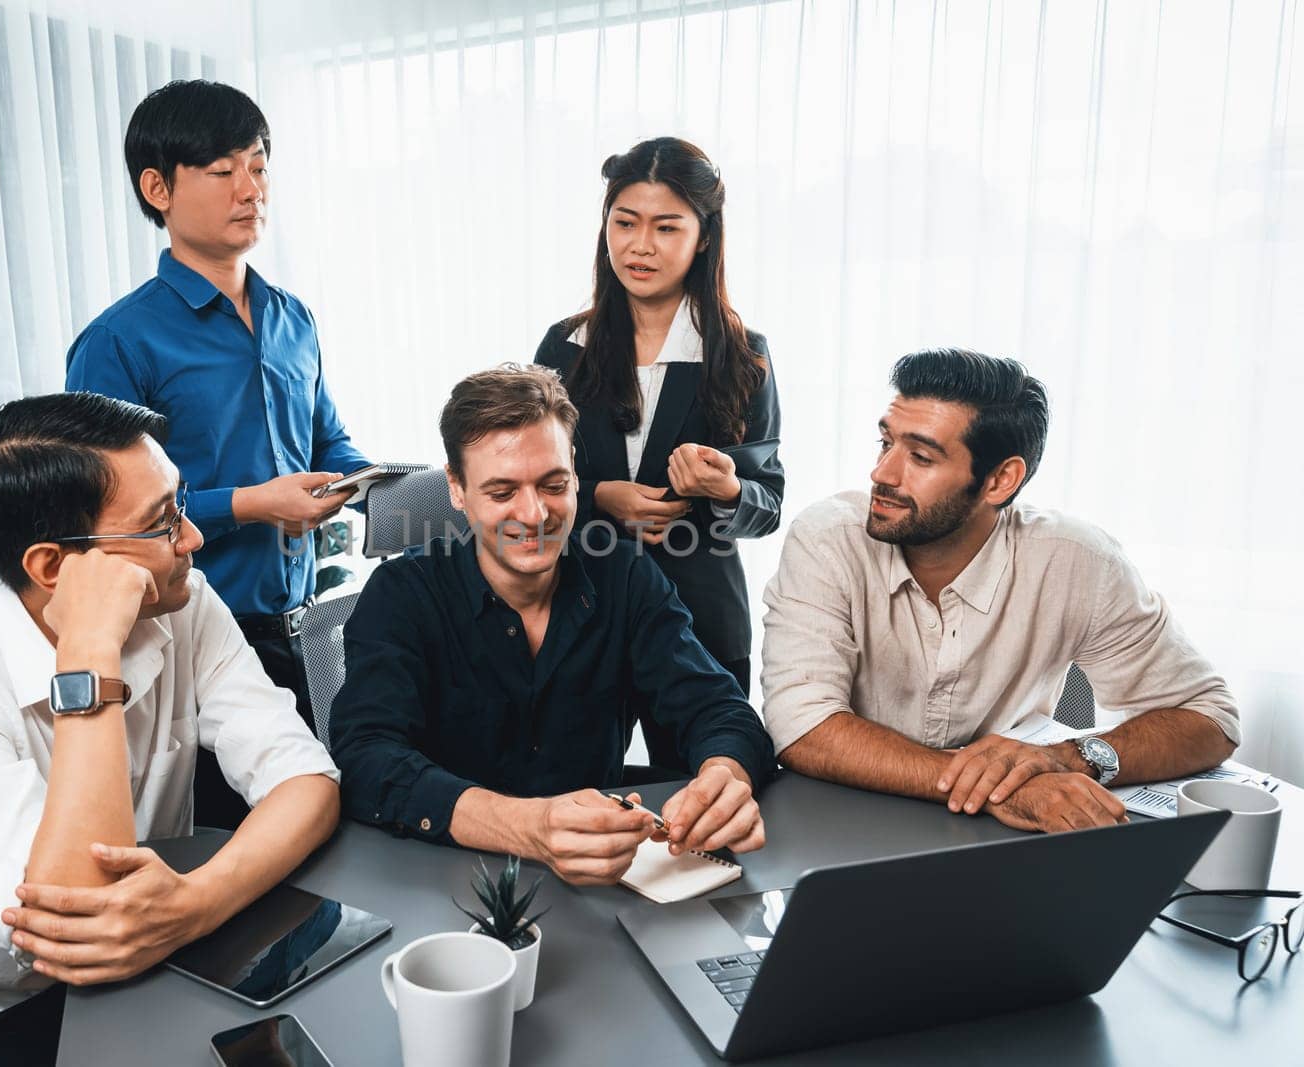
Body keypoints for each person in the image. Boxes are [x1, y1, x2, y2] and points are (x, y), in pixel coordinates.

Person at [0, 393, 340, 1065]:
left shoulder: (186, 602)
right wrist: (88, 652)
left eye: (182, 504)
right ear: (54, 568)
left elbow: (306, 780)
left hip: (152, 964)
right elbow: (72, 912)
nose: (192, 539)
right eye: (162, 523)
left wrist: (195, 904)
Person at [329, 365, 776, 885]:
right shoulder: (402, 594)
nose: (535, 513)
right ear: (456, 489)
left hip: (599, 883)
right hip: (436, 879)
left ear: (576, 478)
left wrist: (725, 776)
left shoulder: (625, 576)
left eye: (553, 484)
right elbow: (366, 758)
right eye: (501, 492)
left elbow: (720, 709)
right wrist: (528, 826)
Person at [761, 349, 1239, 833]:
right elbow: (803, 728)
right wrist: (1002, 786)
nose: (882, 474)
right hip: (836, 823)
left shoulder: (1075, 559)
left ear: (999, 480)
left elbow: (1211, 718)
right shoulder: (827, 538)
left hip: (1002, 837)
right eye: (885, 443)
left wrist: (1069, 759)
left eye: (921, 457)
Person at [65, 79, 368, 749]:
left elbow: (328, 442)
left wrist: (394, 487)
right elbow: (101, 526)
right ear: (158, 189)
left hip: (307, 628)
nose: (251, 189)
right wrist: (253, 504)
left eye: (259, 166)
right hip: (190, 641)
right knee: (232, 838)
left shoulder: (293, 318)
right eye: (223, 170)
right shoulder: (118, 342)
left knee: (327, 812)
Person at [534, 136, 784, 771]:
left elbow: (768, 502)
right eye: (625, 223)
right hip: (583, 606)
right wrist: (597, 498)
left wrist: (726, 488)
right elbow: (529, 473)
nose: (640, 245)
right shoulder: (566, 346)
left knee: (704, 789)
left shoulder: (741, 352)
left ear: (703, 237)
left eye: (666, 227)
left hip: (700, 618)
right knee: (571, 788)